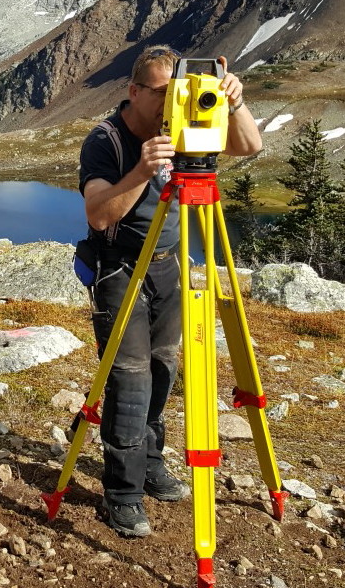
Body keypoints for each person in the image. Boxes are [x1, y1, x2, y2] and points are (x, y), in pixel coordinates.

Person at [77, 45, 262, 538]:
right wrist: (141, 170)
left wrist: (234, 102)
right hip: (120, 270)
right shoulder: (105, 141)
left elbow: (250, 146)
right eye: (161, 92)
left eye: (176, 91)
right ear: (134, 91)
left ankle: (151, 461)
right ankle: (122, 493)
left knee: (163, 368)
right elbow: (98, 214)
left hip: (169, 268)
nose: (170, 101)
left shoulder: (185, 122)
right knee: (129, 381)